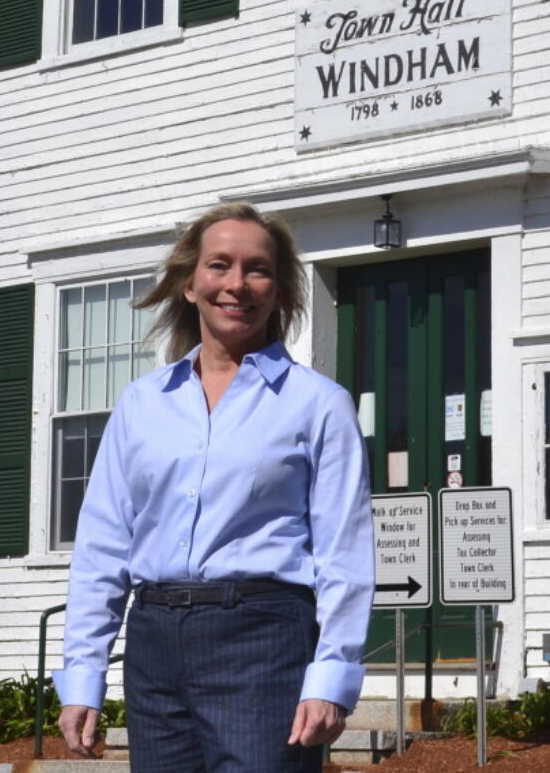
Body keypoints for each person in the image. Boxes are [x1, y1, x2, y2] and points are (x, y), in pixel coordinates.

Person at [54, 203, 374, 773]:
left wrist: (332, 675)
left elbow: (344, 554)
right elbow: (102, 547)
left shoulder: (319, 405)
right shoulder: (141, 404)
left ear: (278, 291)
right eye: (219, 265)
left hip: (265, 640)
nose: (236, 284)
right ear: (189, 284)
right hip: (153, 642)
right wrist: (84, 675)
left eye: (257, 269)